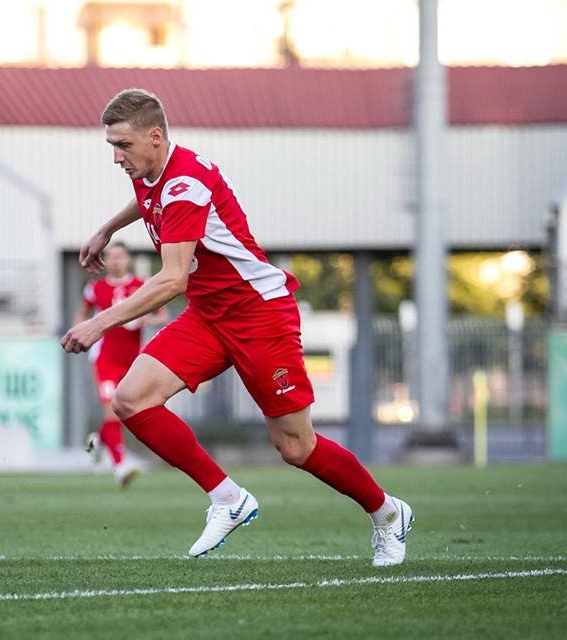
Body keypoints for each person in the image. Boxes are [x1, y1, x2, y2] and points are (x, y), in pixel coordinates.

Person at [62, 89, 413, 565]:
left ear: (155, 136)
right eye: (112, 146)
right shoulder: (152, 171)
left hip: (259, 315)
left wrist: (98, 324)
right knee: (130, 399)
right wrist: (108, 229)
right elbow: (146, 200)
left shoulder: (185, 184)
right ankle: (227, 498)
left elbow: (172, 280)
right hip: (209, 315)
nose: (116, 157)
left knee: (295, 446)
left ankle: (387, 513)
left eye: (122, 145)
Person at [74, 241, 166, 487]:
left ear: (128, 259)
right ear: (105, 261)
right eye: (111, 257)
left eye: (120, 256)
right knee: (111, 409)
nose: (115, 261)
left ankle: (98, 440)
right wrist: (79, 331)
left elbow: (162, 315)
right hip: (104, 358)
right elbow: (82, 314)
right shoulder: (95, 288)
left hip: (133, 360)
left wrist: (145, 320)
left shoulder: (142, 286)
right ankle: (120, 466)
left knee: (124, 410)